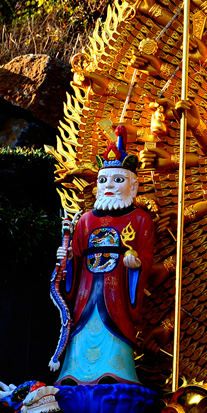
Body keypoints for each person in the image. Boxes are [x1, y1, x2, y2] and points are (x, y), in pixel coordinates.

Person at [54, 128, 155, 386]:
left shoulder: (140, 219)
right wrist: (66, 258)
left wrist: (136, 263)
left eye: (118, 180)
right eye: (103, 180)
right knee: (82, 328)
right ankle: (74, 373)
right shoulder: (85, 220)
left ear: (134, 186)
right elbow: (76, 258)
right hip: (86, 289)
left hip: (117, 288)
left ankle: (117, 372)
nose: (109, 186)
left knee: (114, 329)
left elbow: (145, 254)